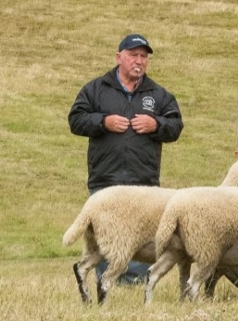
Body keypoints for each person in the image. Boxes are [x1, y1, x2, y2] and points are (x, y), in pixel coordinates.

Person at [68, 33, 184, 285]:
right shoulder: (96, 89)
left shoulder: (159, 94)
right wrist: (103, 121)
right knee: (107, 235)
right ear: (119, 57)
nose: (139, 61)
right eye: (133, 55)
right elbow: (75, 120)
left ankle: (136, 284)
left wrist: (156, 124)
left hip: (143, 181)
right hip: (105, 178)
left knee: (141, 236)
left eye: (144, 57)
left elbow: (176, 126)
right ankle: (107, 283)